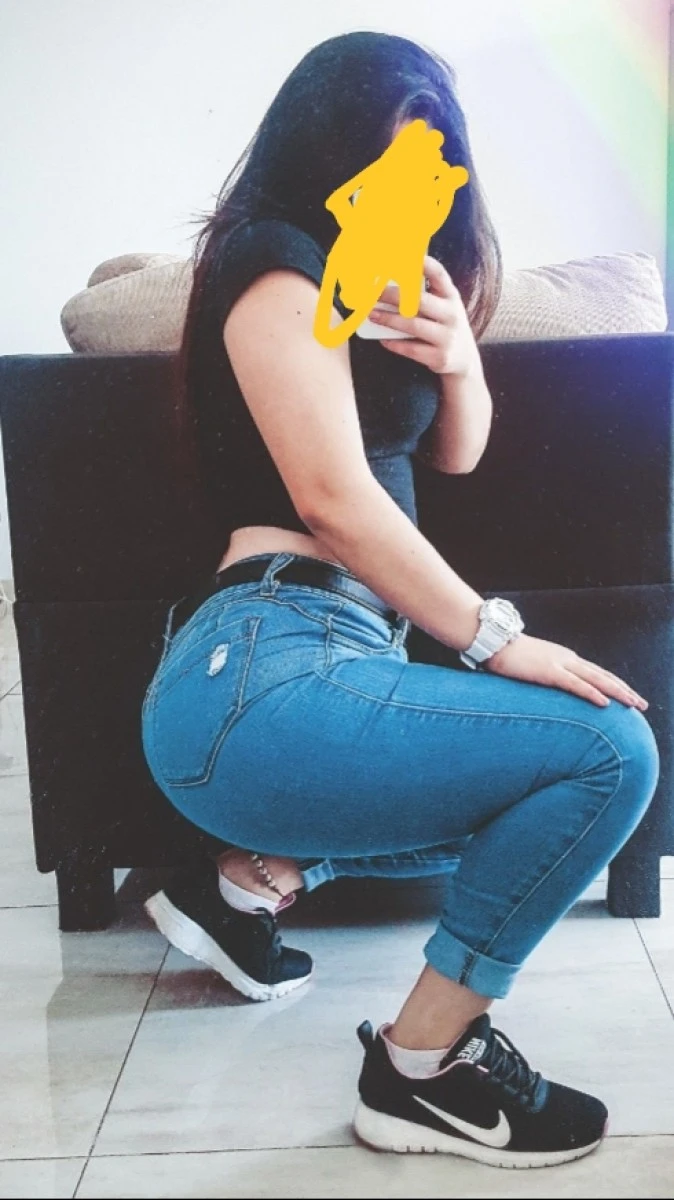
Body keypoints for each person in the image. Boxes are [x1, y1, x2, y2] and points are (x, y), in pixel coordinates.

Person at [140, 30, 659, 1170]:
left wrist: (457, 357)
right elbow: (330, 498)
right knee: (607, 754)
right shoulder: (275, 264)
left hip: (321, 663)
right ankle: (424, 1067)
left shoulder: (370, 284)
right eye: (380, 166)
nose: (408, 193)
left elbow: (455, 456)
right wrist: (493, 637)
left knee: (544, 788)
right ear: (319, 153)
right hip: (265, 655)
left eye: (428, 169)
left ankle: (250, 878)